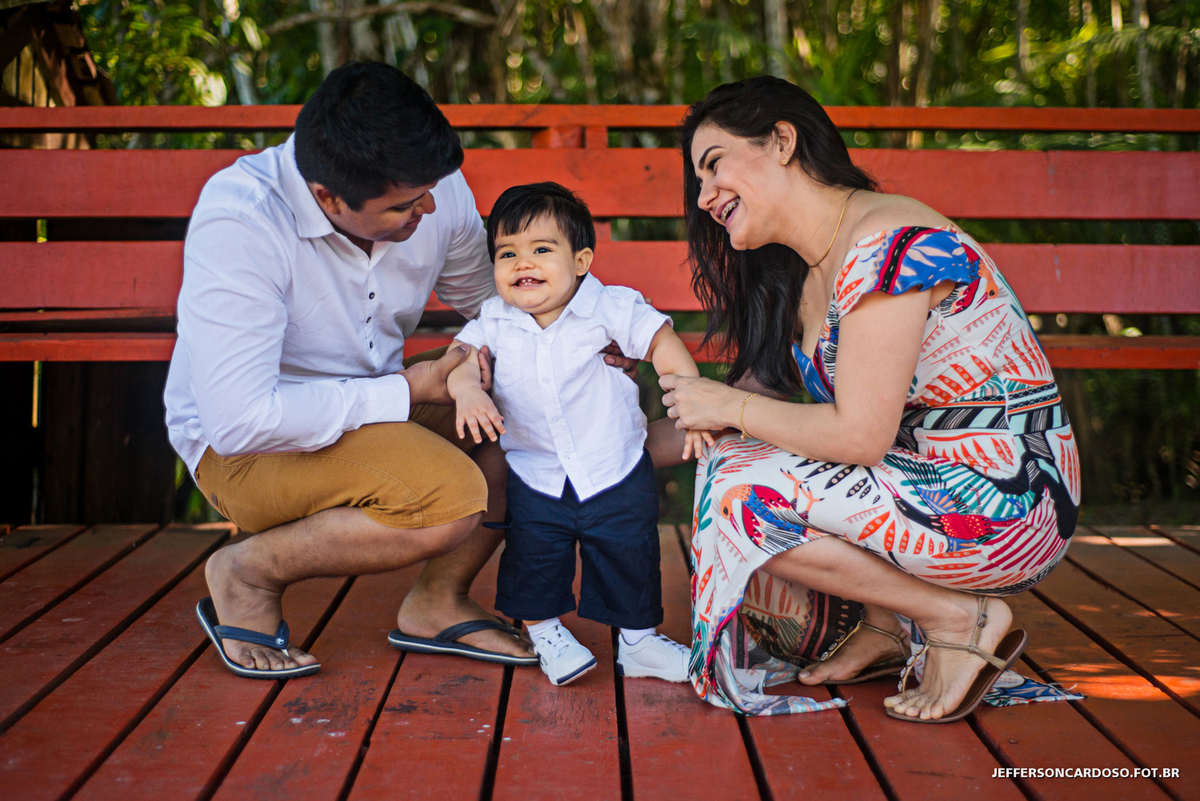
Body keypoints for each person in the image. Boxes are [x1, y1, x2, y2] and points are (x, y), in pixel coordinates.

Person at [169, 62, 637, 679]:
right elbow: (241, 421)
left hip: (377, 407)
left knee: (522, 400)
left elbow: (493, 307)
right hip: (247, 447)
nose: (431, 208)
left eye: (431, 189)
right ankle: (248, 571)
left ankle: (437, 601)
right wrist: (405, 391)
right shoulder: (243, 221)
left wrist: (589, 337)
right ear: (327, 198)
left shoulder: (425, 189)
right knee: (448, 500)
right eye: (402, 206)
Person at [655, 76, 1080, 721]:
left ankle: (956, 619)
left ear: (781, 142)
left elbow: (859, 438)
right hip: (925, 487)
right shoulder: (798, 276)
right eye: (698, 181)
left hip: (1008, 495)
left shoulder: (890, 239)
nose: (705, 195)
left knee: (739, 490)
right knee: (770, 585)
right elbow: (722, 416)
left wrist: (726, 408)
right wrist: (581, 437)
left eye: (713, 166)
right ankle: (885, 628)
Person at [442, 183, 704, 686]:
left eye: (542, 250)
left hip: (614, 464)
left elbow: (661, 342)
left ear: (581, 260)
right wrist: (468, 391)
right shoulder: (495, 319)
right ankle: (546, 635)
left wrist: (689, 401)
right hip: (535, 470)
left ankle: (639, 641)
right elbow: (459, 364)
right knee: (534, 556)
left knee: (630, 552)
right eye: (507, 253)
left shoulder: (610, 307)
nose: (524, 263)